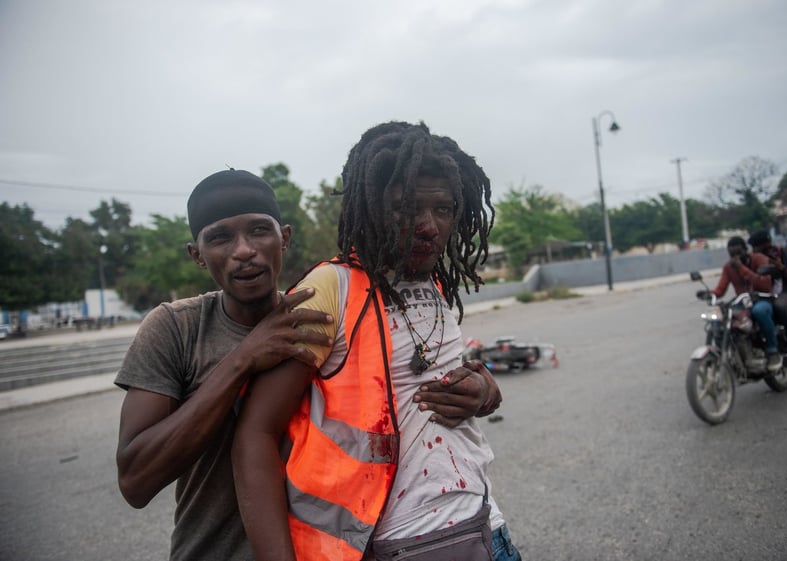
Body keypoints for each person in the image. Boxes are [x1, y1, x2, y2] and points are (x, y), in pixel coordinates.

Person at [114, 168, 497, 561]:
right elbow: (136, 480)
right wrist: (242, 360)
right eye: (220, 237)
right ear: (197, 255)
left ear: (285, 238)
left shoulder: (325, 314)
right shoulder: (176, 328)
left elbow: (398, 401)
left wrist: (482, 394)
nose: (244, 250)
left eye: (260, 231)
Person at [232, 121, 521, 561]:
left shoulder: (437, 284)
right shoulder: (332, 288)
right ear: (371, 207)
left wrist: (484, 393)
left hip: (485, 530)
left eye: (443, 209)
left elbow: (432, 395)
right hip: (392, 545)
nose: (428, 226)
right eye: (406, 209)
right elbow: (255, 435)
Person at [701, 236, 782, 370]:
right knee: (718, 317)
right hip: (742, 302)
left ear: (746, 250)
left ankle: (773, 351)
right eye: (732, 254)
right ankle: (721, 354)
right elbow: (721, 289)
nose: (734, 257)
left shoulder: (758, 259)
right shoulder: (728, 267)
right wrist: (709, 294)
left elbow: (765, 285)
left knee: (759, 311)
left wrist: (742, 268)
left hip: (762, 299)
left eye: (738, 253)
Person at [749, 230, 787, 354]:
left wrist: (780, 266)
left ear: (767, 243)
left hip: (782, 292)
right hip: (761, 294)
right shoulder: (753, 258)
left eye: (757, 246)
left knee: (780, 306)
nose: (755, 250)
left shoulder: (781, 253)